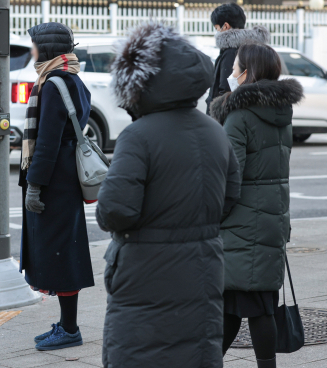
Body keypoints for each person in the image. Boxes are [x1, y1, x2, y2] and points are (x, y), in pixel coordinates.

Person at [97, 22, 241, 368]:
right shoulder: (214, 131)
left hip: (146, 271)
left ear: (137, 83)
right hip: (203, 265)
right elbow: (231, 194)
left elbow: (116, 211)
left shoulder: (137, 135)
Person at [210, 43, 304, 368]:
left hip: (240, 225)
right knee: (259, 303)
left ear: (247, 73)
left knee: (233, 306)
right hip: (270, 221)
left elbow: (228, 179)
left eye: (235, 67)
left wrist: (211, 218)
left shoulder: (238, 116)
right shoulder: (281, 114)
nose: (230, 73)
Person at [19, 22, 94, 351]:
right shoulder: (73, 78)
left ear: (46, 49)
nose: (33, 50)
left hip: (54, 182)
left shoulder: (52, 83)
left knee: (59, 255)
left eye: (35, 45)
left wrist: (35, 185)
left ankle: (69, 329)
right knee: (65, 252)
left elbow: (47, 141)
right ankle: (66, 324)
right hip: (66, 179)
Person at [206, 2, 270, 114]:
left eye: (216, 28)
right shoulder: (253, 49)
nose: (216, 32)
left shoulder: (231, 52)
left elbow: (225, 89)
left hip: (225, 116)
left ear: (225, 26)